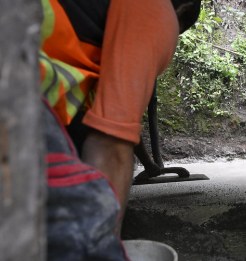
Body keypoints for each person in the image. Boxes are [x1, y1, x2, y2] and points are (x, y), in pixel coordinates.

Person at [39, 0, 200, 259]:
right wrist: (105, 243)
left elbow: (118, 123)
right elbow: (111, 145)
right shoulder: (156, 11)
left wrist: (148, 163)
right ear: (180, 15)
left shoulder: (95, 18)